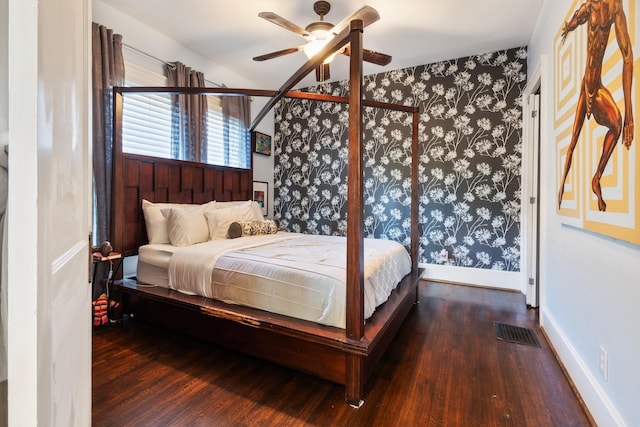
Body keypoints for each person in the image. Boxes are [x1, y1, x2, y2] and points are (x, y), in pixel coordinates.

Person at [557, 0, 634, 211]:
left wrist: (630, 114)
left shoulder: (615, 8)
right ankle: (560, 193)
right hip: (585, 87)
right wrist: (567, 28)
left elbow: (627, 57)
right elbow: (576, 19)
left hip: (597, 87)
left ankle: (596, 178)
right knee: (572, 143)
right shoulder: (589, 6)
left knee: (617, 124)